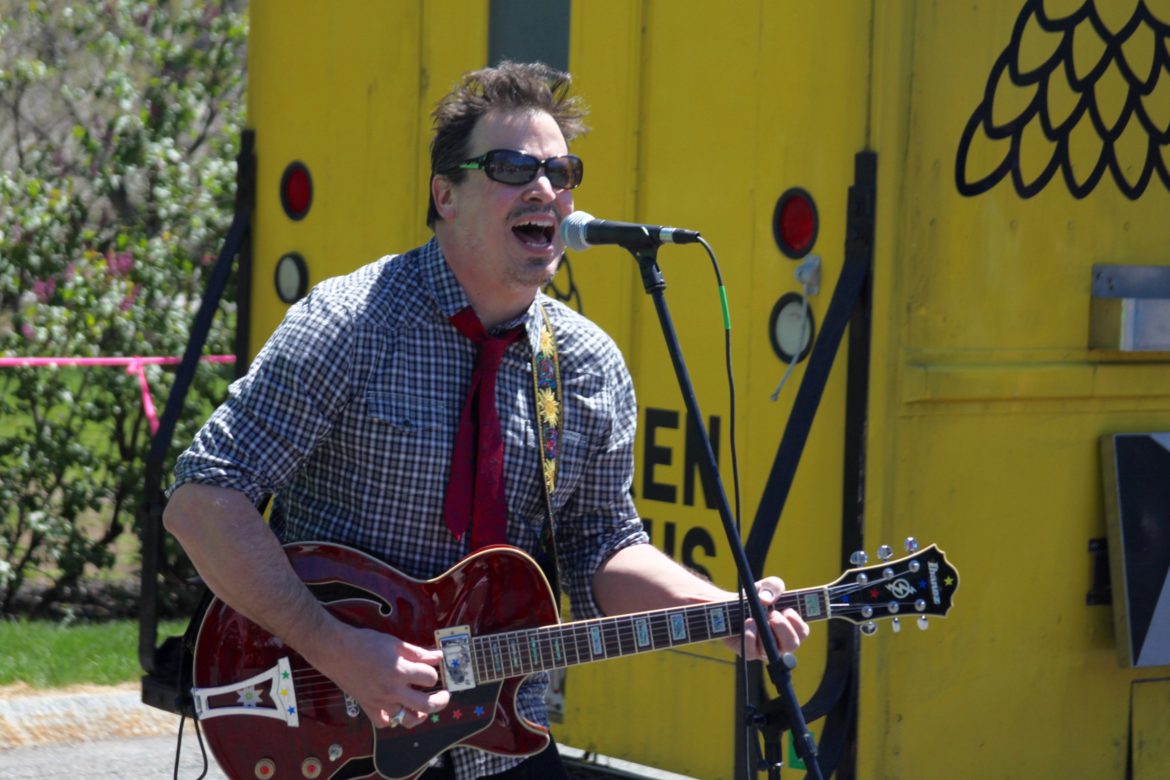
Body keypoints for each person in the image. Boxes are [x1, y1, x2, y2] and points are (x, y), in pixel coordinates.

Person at [163, 61, 809, 780]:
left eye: (561, 172)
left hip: (499, 740)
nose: (545, 189)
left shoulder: (587, 362)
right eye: (512, 168)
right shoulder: (350, 324)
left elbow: (604, 547)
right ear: (446, 195)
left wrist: (718, 607)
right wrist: (337, 647)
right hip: (333, 725)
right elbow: (202, 502)